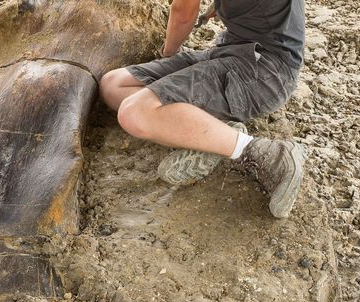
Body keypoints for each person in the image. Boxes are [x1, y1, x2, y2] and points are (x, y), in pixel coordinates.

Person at [99, 0, 306, 218]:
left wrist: (169, 55)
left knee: (135, 113)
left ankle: (268, 154)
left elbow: (183, 14)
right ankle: (211, 132)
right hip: (233, 49)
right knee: (114, 85)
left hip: (263, 71)